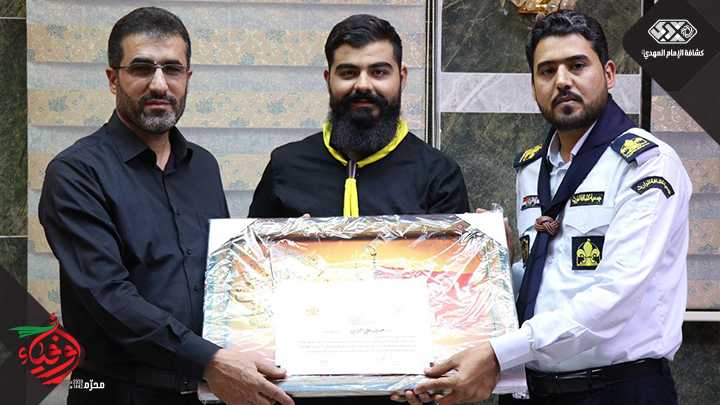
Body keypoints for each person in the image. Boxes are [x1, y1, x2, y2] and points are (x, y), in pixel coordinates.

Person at [398, 10, 691, 405]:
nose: (562, 81)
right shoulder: (532, 167)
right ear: (534, 85)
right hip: (532, 387)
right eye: (547, 71)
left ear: (609, 74)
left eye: (577, 65)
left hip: (619, 389)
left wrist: (498, 353)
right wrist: (495, 266)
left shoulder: (647, 163)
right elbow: (551, 278)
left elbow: (617, 295)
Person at [39, 7, 293, 405]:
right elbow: (109, 298)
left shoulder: (203, 166)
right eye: (142, 68)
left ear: (187, 77)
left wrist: (287, 252)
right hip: (117, 394)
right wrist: (209, 361)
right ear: (113, 78)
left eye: (172, 69)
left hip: (206, 392)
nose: (159, 84)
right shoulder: (75, 173)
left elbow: (221, 276)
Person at [248, 14, 469, 218]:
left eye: (379, 72)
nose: (363, 85)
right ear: (328, 79)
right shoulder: (285, 166)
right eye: (348, 73)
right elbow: (249, 248)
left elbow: (456, 249)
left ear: (402, 78)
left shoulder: (439, 175)